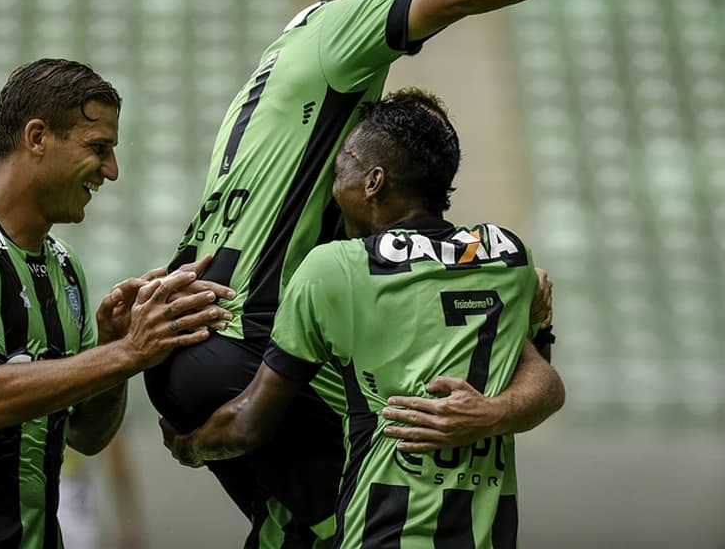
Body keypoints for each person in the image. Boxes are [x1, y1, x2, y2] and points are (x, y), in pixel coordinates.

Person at [144, 0, 706, 546]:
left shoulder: (281, 70)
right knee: (382, 490)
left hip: (190, 341)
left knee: (299, 526)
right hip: (247, 339)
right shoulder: (342, 30)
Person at [0, 58, 233, 549]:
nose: (112, 170)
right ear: (38, 137)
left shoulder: (64, 265)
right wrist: (129, 352)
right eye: (98, 148)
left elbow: (87, 436)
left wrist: (113, 346)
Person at [165, 89, 546, 547]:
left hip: (383, 533)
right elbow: (543, 378)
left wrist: (189, 447)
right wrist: (494, 413)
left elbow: (249, 424)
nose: (333, 184)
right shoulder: (505, 258)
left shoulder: (337, 269)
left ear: (373, 182)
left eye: (341, 167)